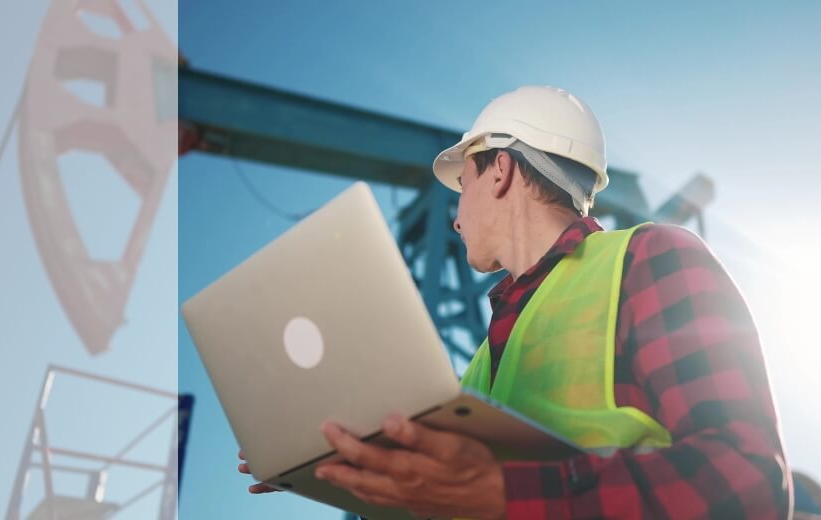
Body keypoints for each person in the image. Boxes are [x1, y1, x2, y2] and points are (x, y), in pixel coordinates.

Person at [238, 86, 792, 519]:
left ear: (499, 169)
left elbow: (746, 482)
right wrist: (351, 467)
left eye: (463, 187)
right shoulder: (479, 367)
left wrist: (503, 492)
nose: (455, 216)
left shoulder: (649, 258)